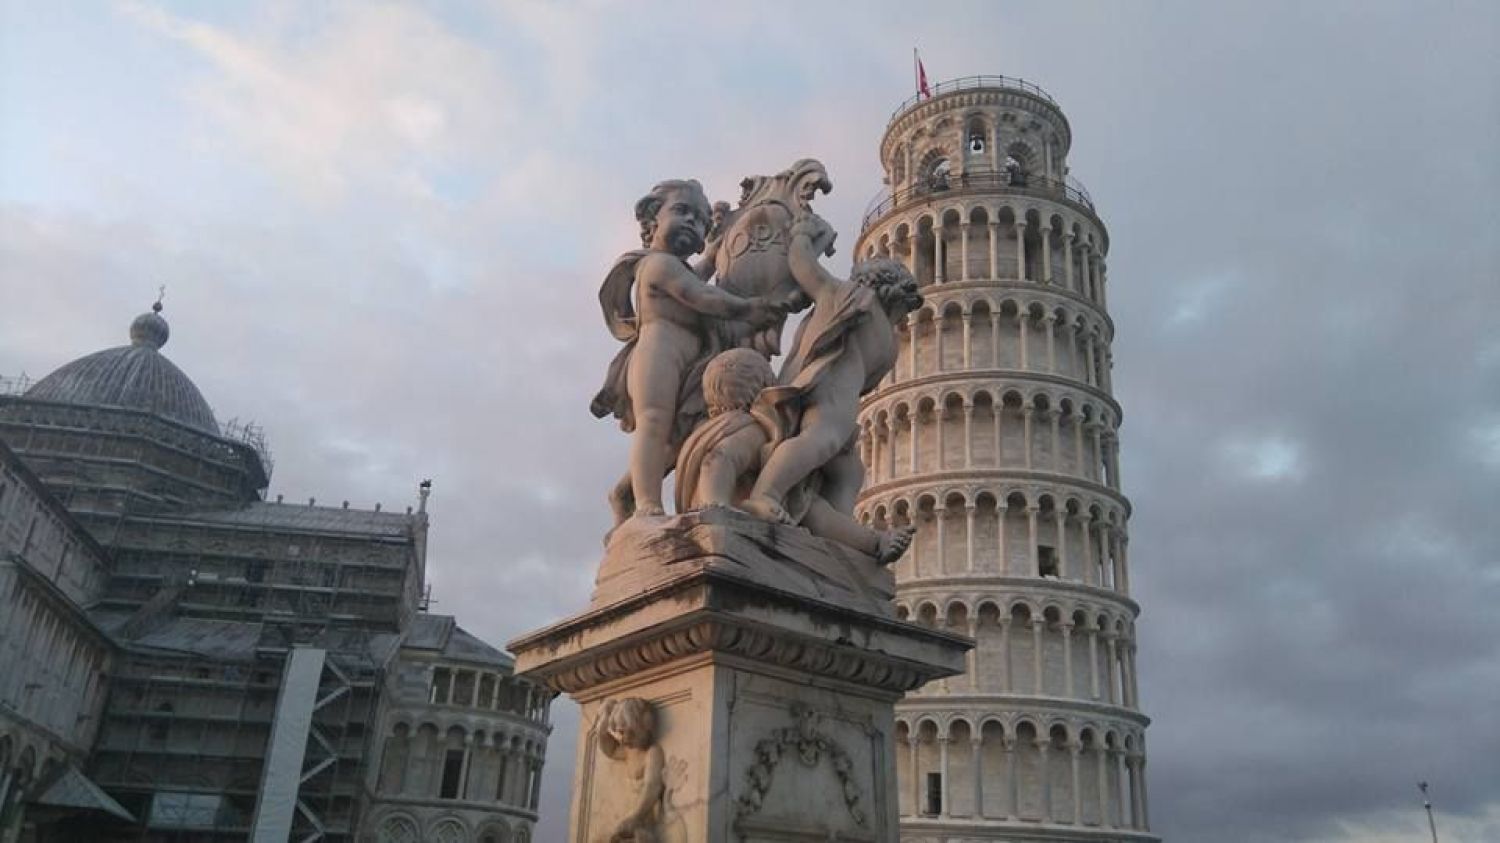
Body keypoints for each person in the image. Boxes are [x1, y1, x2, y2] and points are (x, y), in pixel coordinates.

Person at [591, 180, 781, 522]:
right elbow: (702, 296)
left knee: (677, 438)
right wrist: (751, 308)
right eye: (682, 211)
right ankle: (647, 504)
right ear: (652, 220)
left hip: (690, 360)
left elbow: (696, 277)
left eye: (700, 219)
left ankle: (624, 493)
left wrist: (712, 254)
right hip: (659, 353)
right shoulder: (657, 265)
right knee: (654, 422)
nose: (693, 222)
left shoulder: (678, 268)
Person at [738, 211, 924, 532]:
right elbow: (805, 268)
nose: (904, 313)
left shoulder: (887, 335)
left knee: (849, 470)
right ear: (887, 287)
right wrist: (802, 234)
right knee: (821, 439)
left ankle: (833, 529)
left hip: (844, 396)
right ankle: (765, 494)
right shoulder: (851, 296)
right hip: (830, 384)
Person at [675, 347, 914, 563]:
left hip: (754, 503)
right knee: (815, 512)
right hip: (733, 507)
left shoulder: (743, 428)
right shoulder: (749, 428)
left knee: (810, 506)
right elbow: (717, 459)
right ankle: (874, 542)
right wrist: (718, 506)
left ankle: (874, 542)